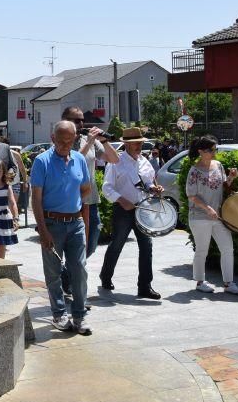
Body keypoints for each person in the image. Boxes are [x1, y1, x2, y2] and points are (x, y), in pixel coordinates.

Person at [30, 121, 92, 335]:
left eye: (70, 141)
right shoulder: (42, 161)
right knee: (53, 273)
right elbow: (36, 199)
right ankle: (58, 313)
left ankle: (79, 315)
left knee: (79, 270)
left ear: (75, 138)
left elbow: (85, 189)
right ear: (53, 137)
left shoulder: (80, 159)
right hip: (52, 224)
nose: (66, 145)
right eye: (61, 141)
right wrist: (43, 230)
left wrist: (75, 210)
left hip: (75, 223)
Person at [60, 107, 119, 300]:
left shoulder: (89, 140)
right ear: (65, 121)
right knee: (75, 246)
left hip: (91, 200)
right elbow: (72, 162)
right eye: (75, 120)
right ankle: (72, 280)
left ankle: (67, 273)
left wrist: (104, 141)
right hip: (70, 202)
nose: (80, 124)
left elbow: (114, 159)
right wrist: (91, 142)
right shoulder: (62, 141)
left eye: (81, 120)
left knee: (91, 244)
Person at [100, 127, 163, 300]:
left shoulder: (145, 161)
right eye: (135, 143)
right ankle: (105, 276)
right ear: (126, 144)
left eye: (140, 143)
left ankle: (145, 286)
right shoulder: (116, 161)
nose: (138, 146)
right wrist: (121, 200)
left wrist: (154, 189)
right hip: (123, 209)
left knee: (146, 246)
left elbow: (149, 183)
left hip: (142, 208)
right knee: (117, 244)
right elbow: (106, 187)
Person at [186, 135, 238, 294]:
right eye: (211, 150)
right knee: (202, 250)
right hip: (199, 216)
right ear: (200, 151)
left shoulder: (218, 165)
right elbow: (191, 196)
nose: (214, 153)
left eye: (215, 149)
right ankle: (199, 282)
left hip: (218, 216)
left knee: (227, 248)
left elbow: (223, 185)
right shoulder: (194, 171)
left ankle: (229, 283)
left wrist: (231, 177)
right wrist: (207, 208)